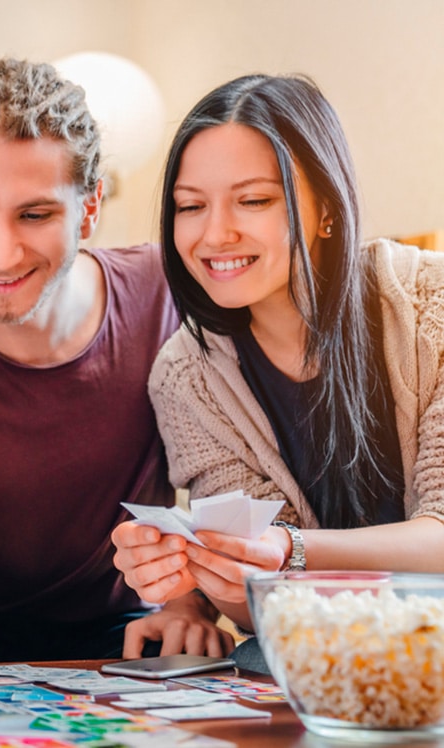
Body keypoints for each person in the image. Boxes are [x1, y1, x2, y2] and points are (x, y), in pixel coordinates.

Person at [0, 58, 233, 662]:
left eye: (35, 213)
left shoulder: (167, 293)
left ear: (90, 206)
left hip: (128, 644)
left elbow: (229, 478)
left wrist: (188, 601)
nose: (0, 253)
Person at [111, 74, 444, 637]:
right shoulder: (188, 374)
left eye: (254, 200)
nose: (214, 234)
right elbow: (260, 605)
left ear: (326, 209)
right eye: (190, 206)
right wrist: (205, 568)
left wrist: (284, 548)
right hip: (323, 669)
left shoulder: (428, 305)